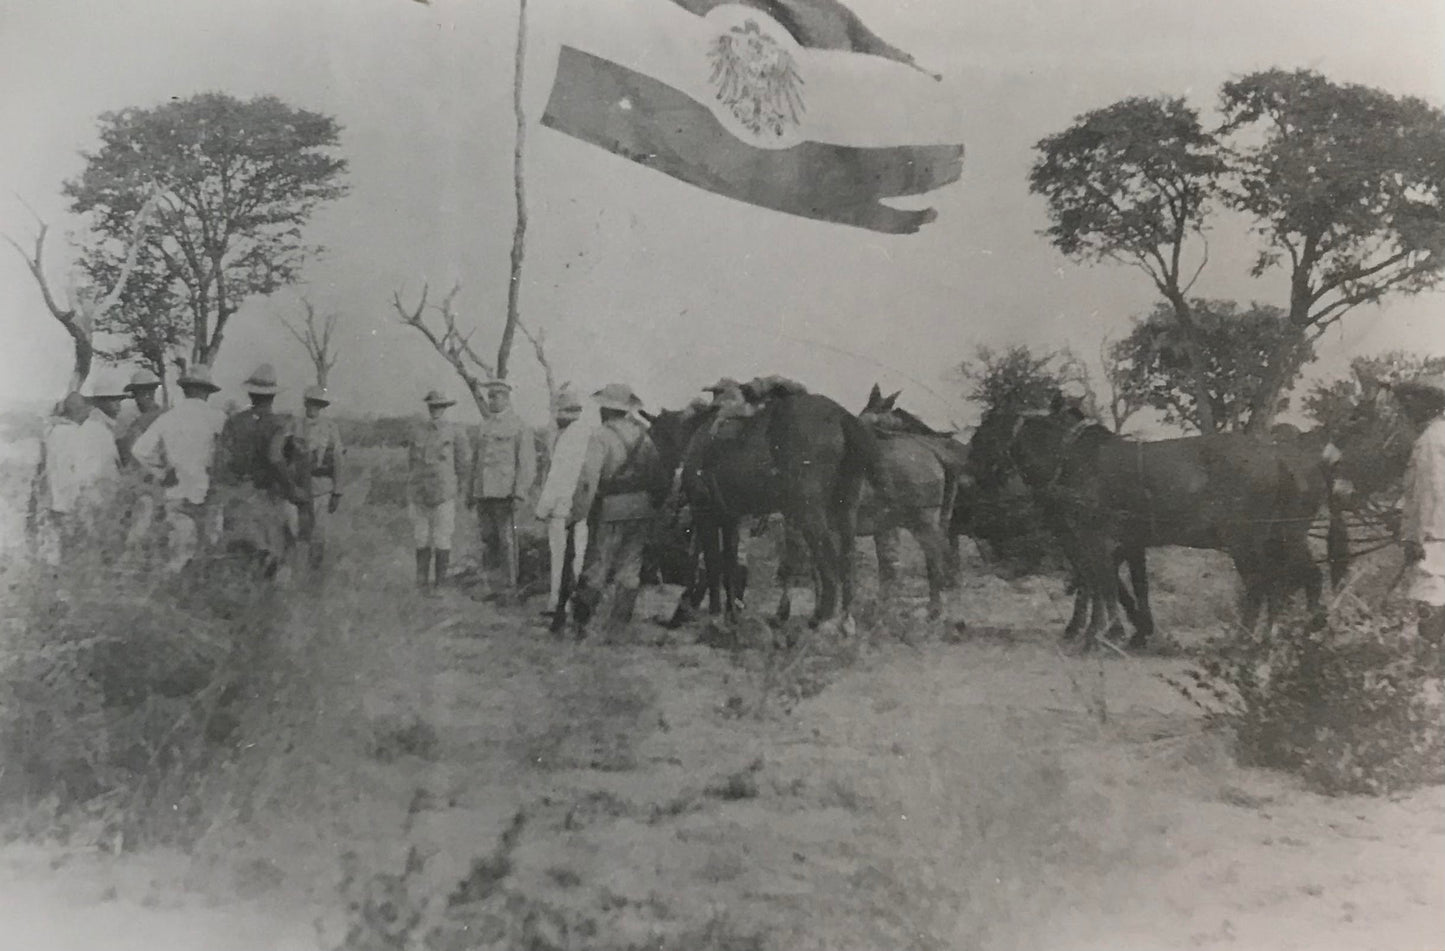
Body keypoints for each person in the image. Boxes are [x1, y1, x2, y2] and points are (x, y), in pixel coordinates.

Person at [568, 383, 668, 639]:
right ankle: (618, 629)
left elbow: (589, 480)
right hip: (641, 510)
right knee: (630, 570)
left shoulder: (600, 436)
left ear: (606, 410)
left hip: (609, 510)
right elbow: (658, 475)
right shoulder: (644, 436)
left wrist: (577, 513)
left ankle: (581, 626)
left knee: (598, 566)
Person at [129, 365, 227, 572]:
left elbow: (139, 450)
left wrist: (162, 472)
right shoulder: (218, 418)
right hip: (208, 493)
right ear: (207, 392)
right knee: (209, 551)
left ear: (184, 390)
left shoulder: (168, 418)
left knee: (178, 555)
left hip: (176, 493)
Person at [215, 363, 301, 576]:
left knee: (239, 560)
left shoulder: (234, 422)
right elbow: (275, 458)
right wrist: (292, 490)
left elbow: (221, 460)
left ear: (251, 394)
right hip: (268, 496)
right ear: (272, 396)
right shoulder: (278, 424)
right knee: (282, 551)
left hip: (238, 496)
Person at [467, 379, 536, 600]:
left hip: (505, 492)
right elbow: (476, 461)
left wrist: (519, 492)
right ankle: (490, 585)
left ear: (507, 398)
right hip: (484, 491)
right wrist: (471, 490)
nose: (492, 400)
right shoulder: (484, 426)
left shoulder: (519, 426)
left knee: (507, 540)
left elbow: (526, 463)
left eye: (496, 396)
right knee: (488, 539)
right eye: (490, 396)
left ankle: (508, 587)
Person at [534, 384, 595, 631]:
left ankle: (559, 603)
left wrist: (541, 509)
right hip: (583, 507)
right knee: (578, 557)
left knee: (561, 557)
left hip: (563, 507)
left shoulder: (567, 439)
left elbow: (556, 478)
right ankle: (570, 603)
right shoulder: (587, 434)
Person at [36, 391, 119, 565]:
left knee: (68, 545)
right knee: (91, 544)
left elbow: (48, 469)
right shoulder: (98, 431)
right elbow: (111, 466)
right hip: (90, 498)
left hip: (62, 501)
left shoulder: (53, 433)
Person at [1393, 372, 1445, 647]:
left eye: (1412, 401)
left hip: (1436, 538)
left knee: (1430, 608)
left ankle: (1424, 680)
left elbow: (1431, 492)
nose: (1406, 408)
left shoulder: (1430, 439)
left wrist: (1414, 536)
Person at [409, 389, 469, 590]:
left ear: (445, 408)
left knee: (442, 537)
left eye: (439, 406)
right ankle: (421, 582)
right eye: (432, 406)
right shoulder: (418, 431)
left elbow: (462, 464)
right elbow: (412, 462)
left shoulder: (455, 432)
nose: (435, 410)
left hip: (444, 492)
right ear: (428, 407)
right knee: (421, 537)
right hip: (420, 492)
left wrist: (460, 488)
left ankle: (440, 584)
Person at [285, 385, 345, 571]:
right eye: (310, 403)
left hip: (322, 487)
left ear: (322, 406)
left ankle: (314, 572)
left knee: (319, 532)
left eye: (317, 404)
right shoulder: (294, 425)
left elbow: (338, 459)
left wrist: (337, 491)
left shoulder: (330, 427)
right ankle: (297, 569)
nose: (313, 407)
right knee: (298, 530)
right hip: (299, 487)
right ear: (305, 403)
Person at [117, 368, 165, 466]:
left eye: (151, 390)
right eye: (142, 392)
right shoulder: (125, 415)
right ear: (135, 393)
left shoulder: (161, 414)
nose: (147, 395)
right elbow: (121, 446)